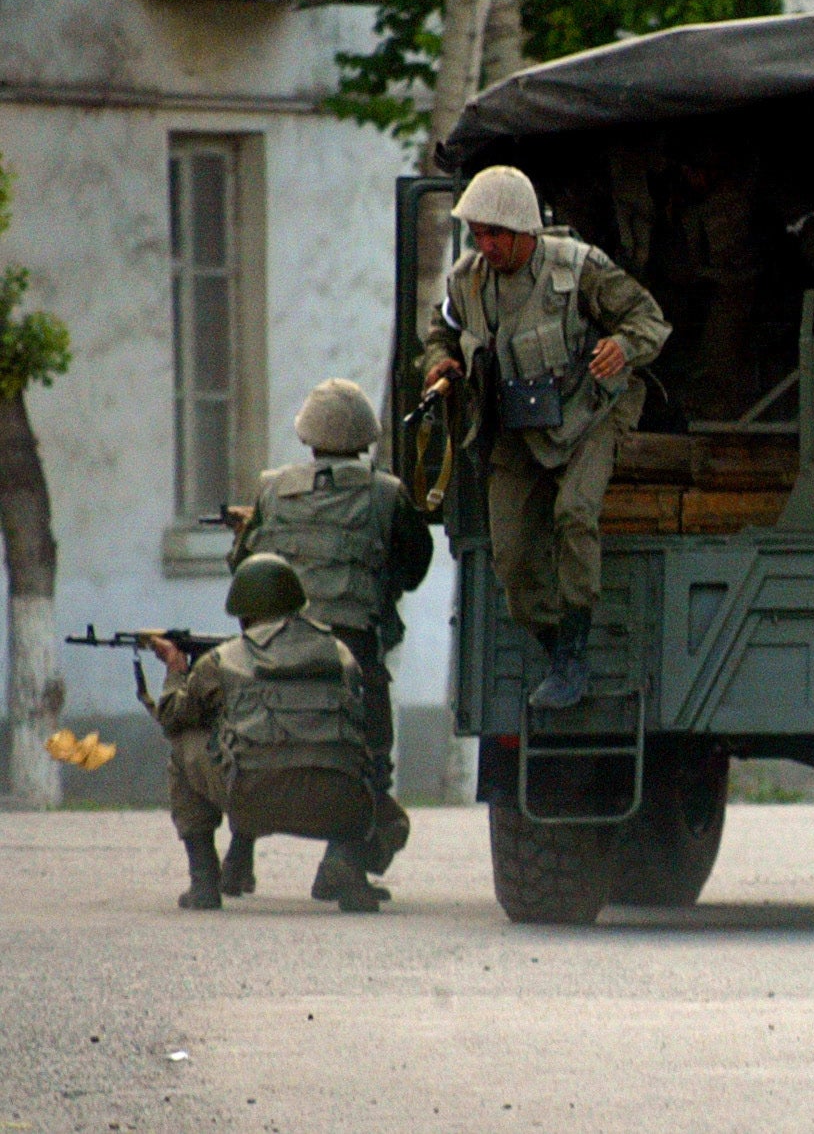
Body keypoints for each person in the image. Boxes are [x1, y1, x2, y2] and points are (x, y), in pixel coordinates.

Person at [421, 165, 671, 710]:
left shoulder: (580, 269)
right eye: (478, 233)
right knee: (509, 554)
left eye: (496, 234)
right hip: (515, 425)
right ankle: (559, 651)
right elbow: (441, 328)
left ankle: (575, 650)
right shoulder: (467, 281)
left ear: (524, 231)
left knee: (574, 514)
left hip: (590, 413)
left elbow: (648, 317)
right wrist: (441, 360)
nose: (485, 245)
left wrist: (623, 347)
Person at [226, 378, 432, 901]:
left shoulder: (271, 488)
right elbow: (413, 568)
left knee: (251, 744)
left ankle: (236, 858)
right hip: (351, 654)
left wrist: (249, 531)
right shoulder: (385, 494)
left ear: (307, 437)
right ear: (364, 439)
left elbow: (243, 570)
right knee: (367, 755)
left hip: (270, 649)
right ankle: (344, 860)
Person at [147, 555, 381, 914]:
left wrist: (177, 669)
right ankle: (348, 870)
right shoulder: (342, 654)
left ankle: (204, 881)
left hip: (252, 800)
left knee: (184, 743)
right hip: (339, 806)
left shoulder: (222, 661)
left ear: (242, 614)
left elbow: (173, 716)